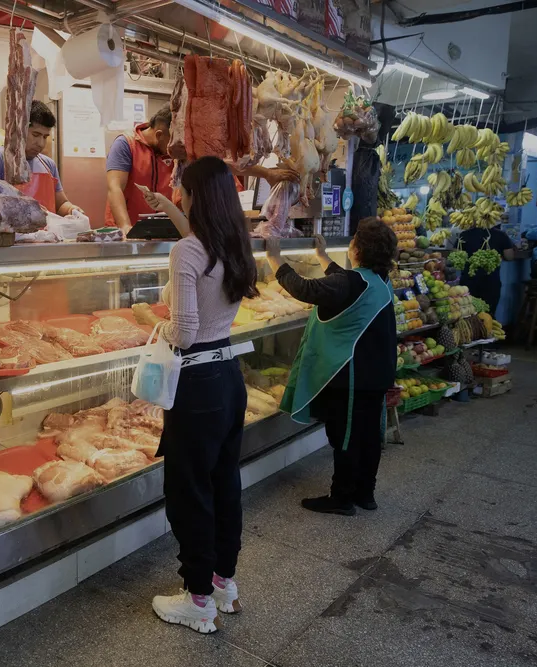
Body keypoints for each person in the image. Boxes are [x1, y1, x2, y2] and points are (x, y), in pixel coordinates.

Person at [139, 156, 257, 634]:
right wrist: (166, 205)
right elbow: (194, 241)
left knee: (189, 493)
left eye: (182, 190)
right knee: (224, 484)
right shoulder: (231, 242)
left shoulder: (187, 252)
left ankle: (197, 600)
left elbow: (184, 332)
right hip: (228, 376)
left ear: (196, 196)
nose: (180, 197)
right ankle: (222, 582)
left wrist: (152, 323)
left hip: (197, 384)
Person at [266, 219, 397, 516]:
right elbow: (345, 283)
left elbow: (306, 288)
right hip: (376, 374)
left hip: (353, 376)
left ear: (358, 248)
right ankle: (366, 493)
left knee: (347, 436)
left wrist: (275, 259)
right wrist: (323, 256)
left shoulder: (353, 282)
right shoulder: (380, 279)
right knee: (368, 436)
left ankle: (342, 498)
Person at [0, 101, 81, 216]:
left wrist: (71, 210)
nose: (40, 144)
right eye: (35, 135)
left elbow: (61, 204)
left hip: (47, 233)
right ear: (20, 130)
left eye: (45, 137)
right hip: (13, 233)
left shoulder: (48, 164)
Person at [105, 105, 175, 233]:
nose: (175, 146)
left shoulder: (174, 154)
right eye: (172, 141)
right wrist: (125, 227)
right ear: (159, 135)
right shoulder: (126, 144)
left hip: (162, 231)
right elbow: (115, 187)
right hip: (126, 230)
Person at [455, 223, 515, 316]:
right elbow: (509, 256)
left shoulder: (464, 235)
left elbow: (455, 254)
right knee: (488, 314)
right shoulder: (501, 235)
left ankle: (469, 330)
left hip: (468, 282)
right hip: (490, 282)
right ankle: (487, 329)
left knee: (468, 314)